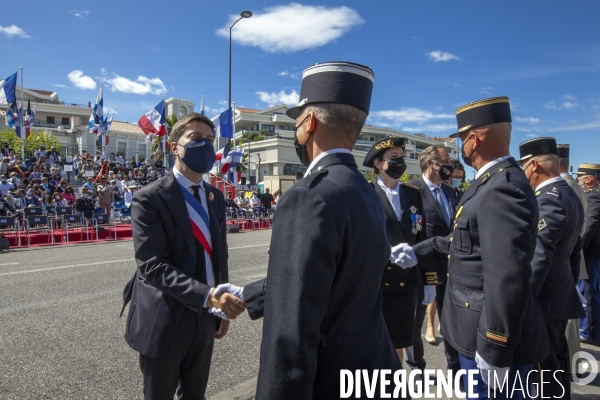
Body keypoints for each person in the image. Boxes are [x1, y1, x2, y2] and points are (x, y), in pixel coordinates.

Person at [229, 61, 403, 398]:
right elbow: (335, 279)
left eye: (297, 122)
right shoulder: (365, 190)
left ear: (309, 122)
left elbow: (290, 334)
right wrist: (245, 294)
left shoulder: (309, 195)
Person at [394, 96, 549, 399]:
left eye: (462, 141)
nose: (459, 152)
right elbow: (463, 241)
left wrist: (495, 345)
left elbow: (507, 274)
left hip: (485, 337)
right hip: (472, 327)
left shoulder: (501, 186)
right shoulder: (490, 182)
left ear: (474, 139)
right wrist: (418, 251)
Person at [120, 112, 244, 399]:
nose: (205, 145)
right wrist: (210, 296)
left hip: (205, 317)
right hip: (165, 318)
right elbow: (152, 265)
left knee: (195, 395)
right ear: (174, 146)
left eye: (210, 140)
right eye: (196, 138)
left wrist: (220, 305)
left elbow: (219, 254)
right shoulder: (150, 198)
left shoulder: (215, 197)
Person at [518, 137, 585, 398]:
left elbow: (540, 257)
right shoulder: (569, 194)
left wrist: (524, 301)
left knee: (543, 367)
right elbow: (575, 250)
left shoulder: (549, 199)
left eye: (523, 166)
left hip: (543, 299)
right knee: (556, 362)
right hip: (558, 292)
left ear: (534, 165)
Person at [363, 136, 432, 369]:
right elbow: (360, 239)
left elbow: (423, 238)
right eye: (393, 158)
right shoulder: (366, 193)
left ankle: (394, 389)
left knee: (398, 343)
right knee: (371, 343)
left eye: (401, 157)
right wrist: (386, 251)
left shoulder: (413, 194)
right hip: (375, 281)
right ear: (378, 163)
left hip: (406, 282)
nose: (399, 162)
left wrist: (429, 279)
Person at [410, 145, 461, 376]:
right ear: (431, 164)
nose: (449, 166)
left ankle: (454, 368)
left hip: (452, 268)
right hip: (424, 268)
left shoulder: (451, 192)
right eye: (446, 161)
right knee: (415, 324)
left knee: (452, 323)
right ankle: (417, 370)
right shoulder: (412, 191)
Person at [557, 144, 588, 377]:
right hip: (574, 257)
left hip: (565, 260)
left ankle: (569, 365)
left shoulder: (561, 187)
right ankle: (574, 363)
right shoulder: (575, 186)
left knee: (567, 321)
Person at [577, 163, 600, 344]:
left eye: (581, 178)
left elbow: (589, 225)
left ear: (590, 179)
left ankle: (589, 332)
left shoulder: (592, 197)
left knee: (589, 293)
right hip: (594, 253)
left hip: (590, 253)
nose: (579, 181)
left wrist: (578, 247)